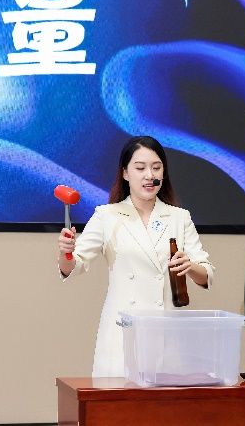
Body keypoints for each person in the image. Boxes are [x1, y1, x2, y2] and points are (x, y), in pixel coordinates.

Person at [57, 135, 214, 377]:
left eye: (156, 168)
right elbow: (73, 266)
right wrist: (65, 252)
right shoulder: (107, 215)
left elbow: (206, 275)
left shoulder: (179, 217)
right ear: (125, 173)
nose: (149, 175)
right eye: (140, 168)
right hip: (122, 334)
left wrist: (189, 266)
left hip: (165, 335)